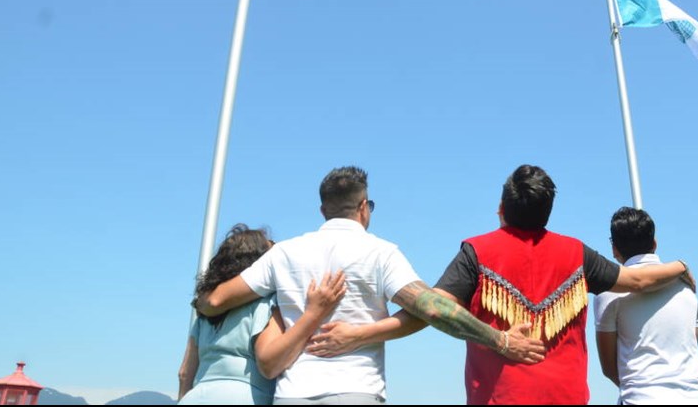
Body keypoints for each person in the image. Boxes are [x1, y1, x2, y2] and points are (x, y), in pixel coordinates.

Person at [306, 164, 696, 405]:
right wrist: (680, 266)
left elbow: (430, 309)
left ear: (502, 208)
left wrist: (360, 334)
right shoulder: (577, 255)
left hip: (497, 398)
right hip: (568, 398)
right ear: (546, 212)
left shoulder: (477, 251)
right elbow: (638, 279)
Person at [194, 166, 546, 405]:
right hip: (357, 391)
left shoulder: (284, 253)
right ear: (364, 207)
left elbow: (212, 301)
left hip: (293, 393)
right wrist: (500, 340)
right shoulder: (380, 253)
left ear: (323, 210)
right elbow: (433, 309)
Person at [178, 224, 346, 405]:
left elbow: (184, 373)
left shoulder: (204, 314)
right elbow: (271, 361)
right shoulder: (265, 305)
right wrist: (314, 314)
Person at [594, 207, 698, 405]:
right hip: (694, 398)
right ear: (654, 243)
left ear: (614, 248)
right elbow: (690, 344)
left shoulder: (608, 294)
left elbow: (609, 368)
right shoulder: (687, 289)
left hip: (640, 398)